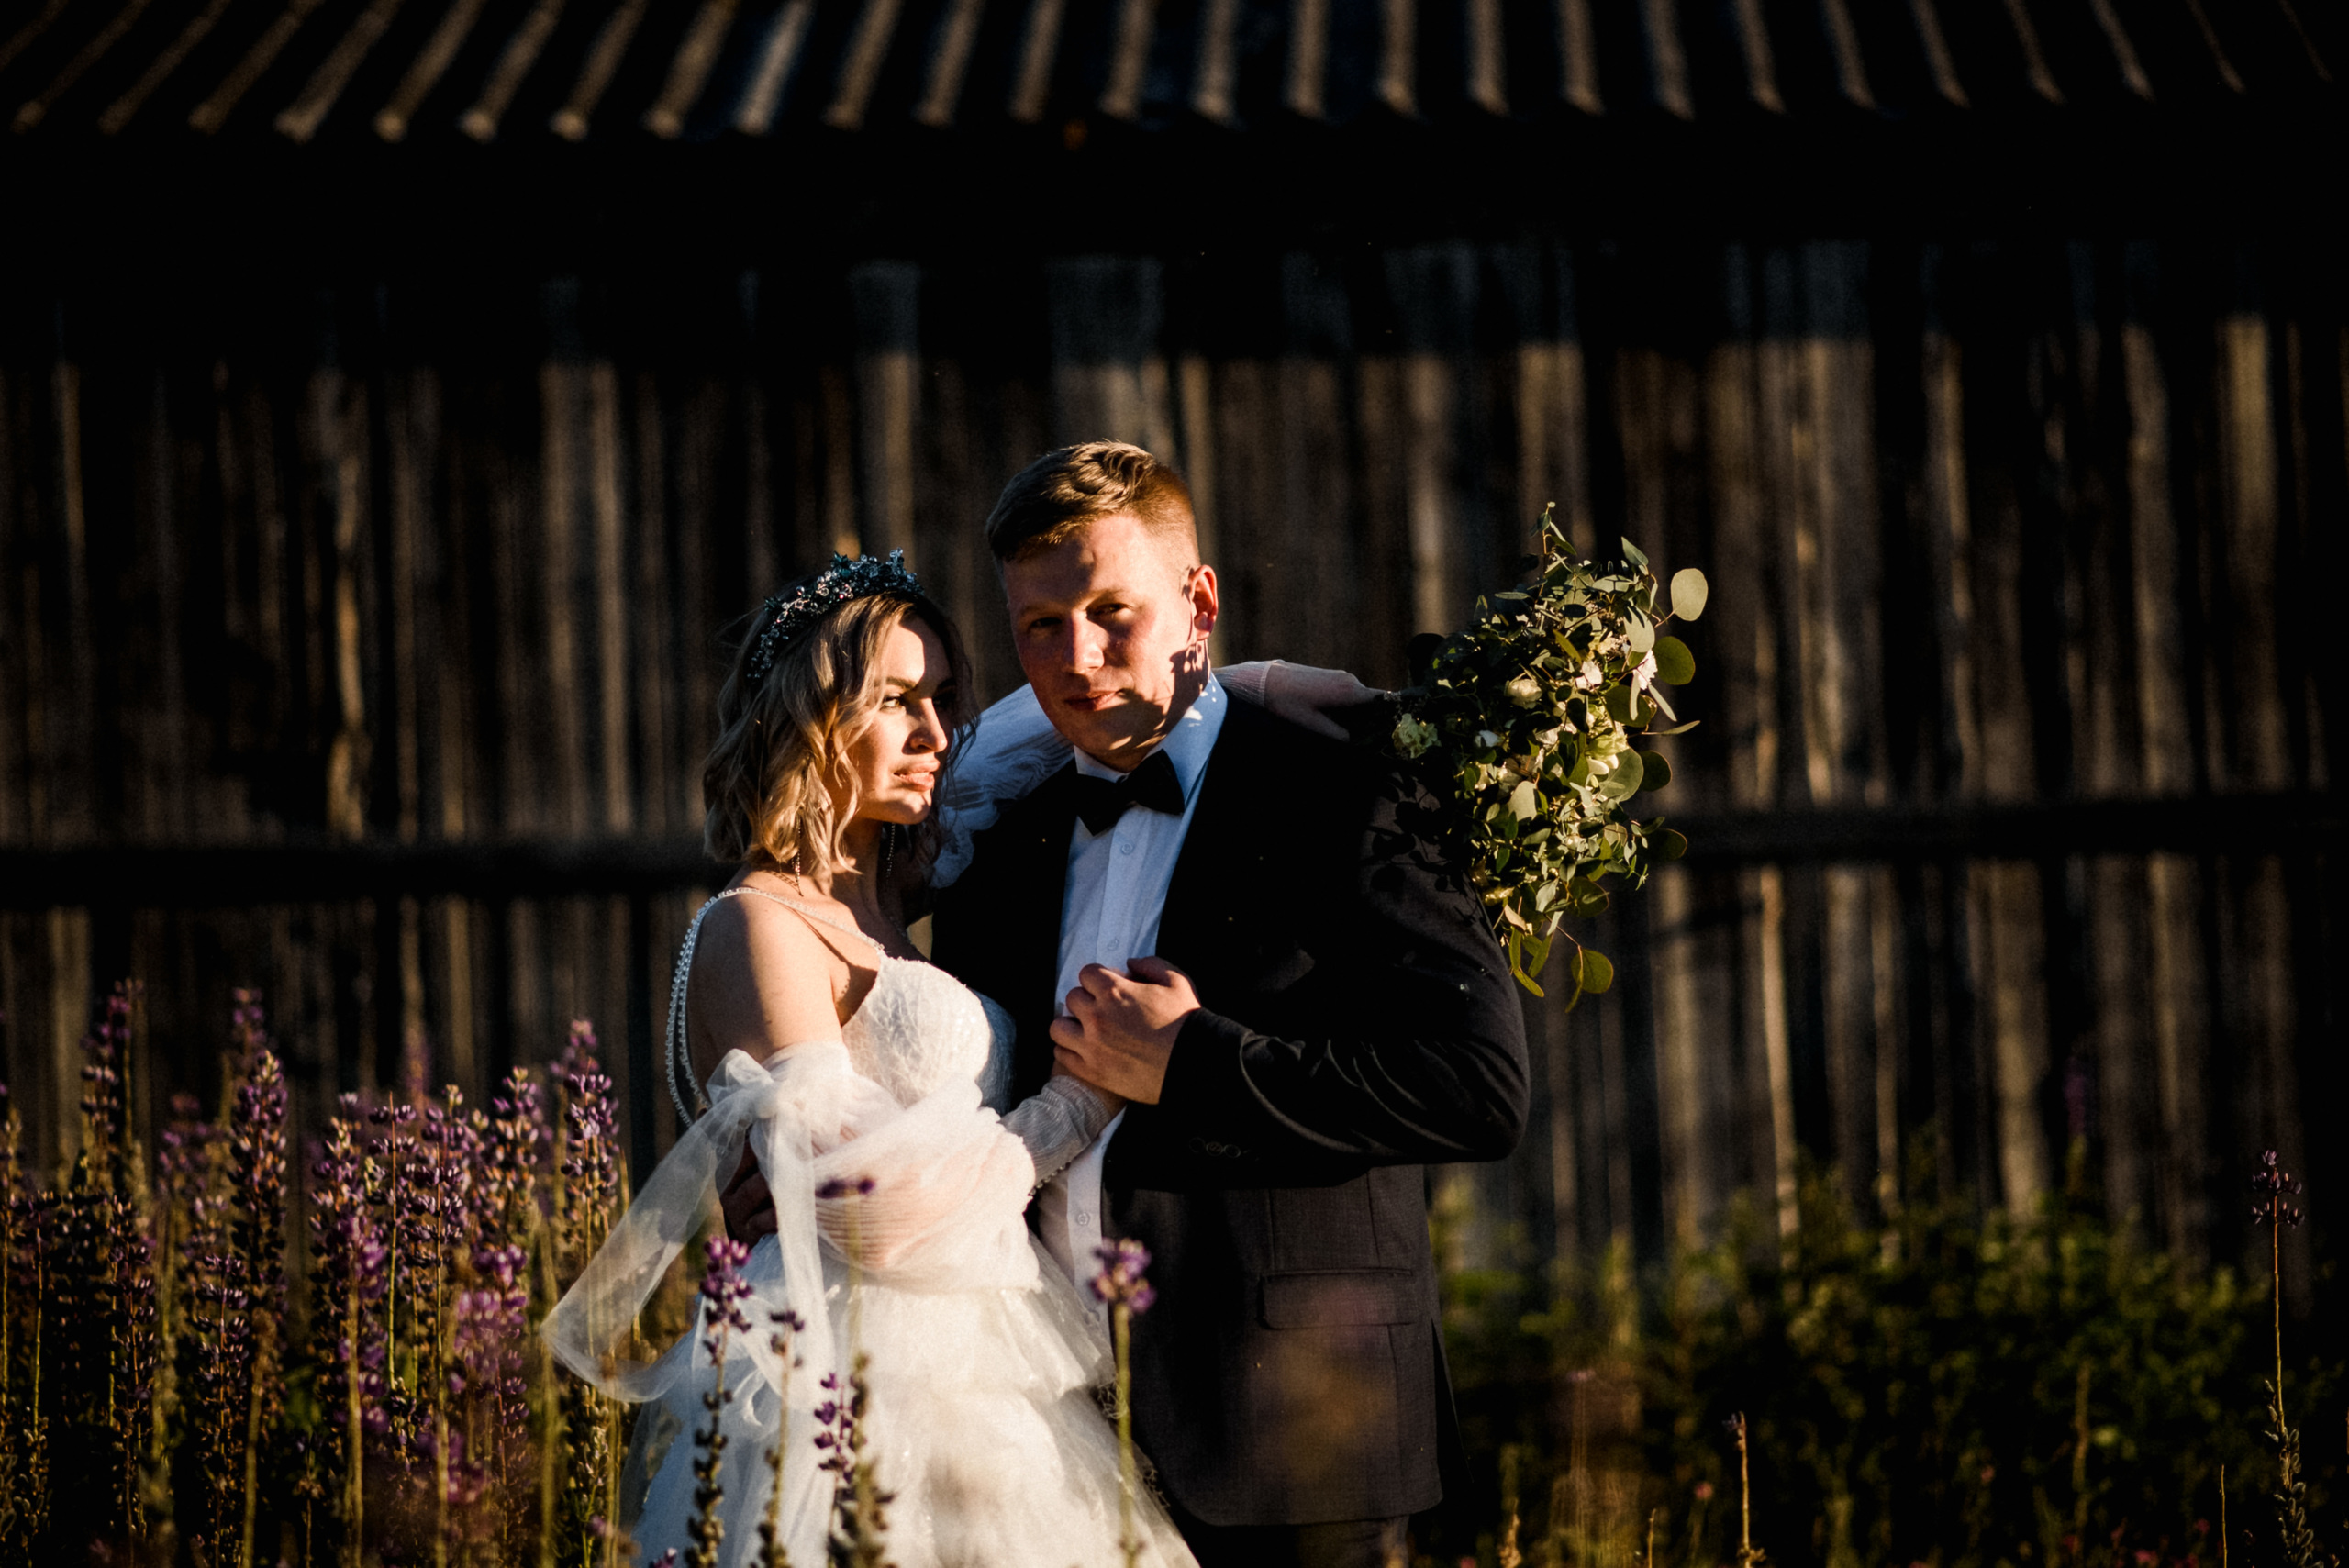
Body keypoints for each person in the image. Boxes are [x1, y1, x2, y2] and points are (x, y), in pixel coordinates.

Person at [929, 442, 1530, 1568]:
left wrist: (1191, 1062)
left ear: (1197, 601)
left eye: (1113, 610)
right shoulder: (1006, 839)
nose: (1077, 658)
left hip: (1297, 1433)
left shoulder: (1345, 771)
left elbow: (1476, 1085)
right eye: (1039, 626)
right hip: (1044, 1440)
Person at [542, 554, 1200, 1568]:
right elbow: (869, 1209)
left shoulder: (894, 891)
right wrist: (1077, 1104)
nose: (937, 734)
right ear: (808, 723)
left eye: (942, 697)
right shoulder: (756, 924)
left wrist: (1213, 669)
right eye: (896, 701)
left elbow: (1034, 729)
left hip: (988, 1377)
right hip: (846, 1386)